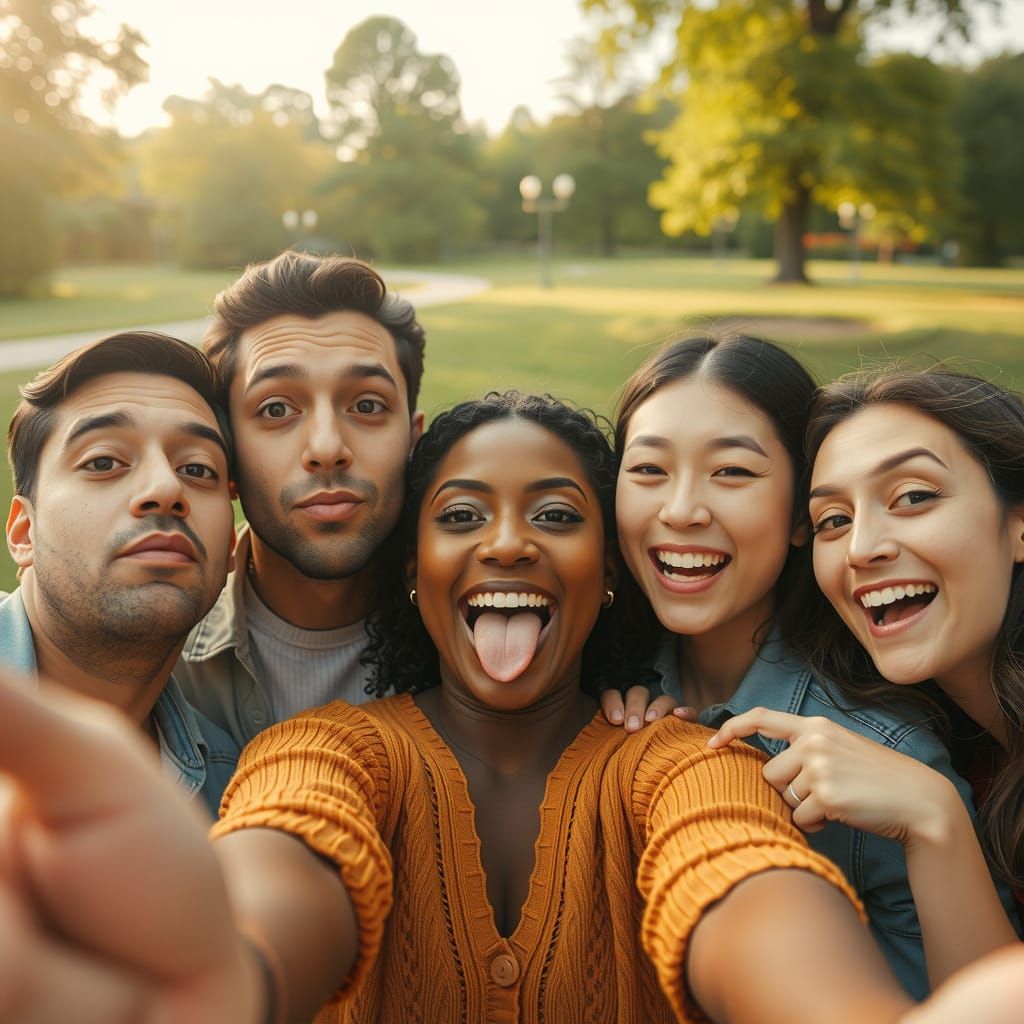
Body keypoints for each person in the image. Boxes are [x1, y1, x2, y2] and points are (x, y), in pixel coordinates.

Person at [0, 392, 915, 1023]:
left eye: (556, 517)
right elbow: (289, 851)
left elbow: (742, 876)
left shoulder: (689, 764)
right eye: (462, 516)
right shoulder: (321, 751)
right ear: (412, 567)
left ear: (607, 573)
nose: (509, 544)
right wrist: (231, 980)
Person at [607, 335, 1014, 997]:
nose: (681, 510)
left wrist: (932, 815)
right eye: (648, 469)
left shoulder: (882, 750)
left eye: (732, 471)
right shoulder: (596, 676)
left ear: (792, 517)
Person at [713, 365, 1024, 983]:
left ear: (1016, 523)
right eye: (833, 519)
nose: (860, 548)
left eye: (913, 496)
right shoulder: (945, 734)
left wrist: (934, 821)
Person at [174, 250, 427, 744]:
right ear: (225, 457)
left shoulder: (484, 639)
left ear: (414, 443)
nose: (327, 448)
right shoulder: (154, 656)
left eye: (368, 404)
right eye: (276, 408)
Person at [1, 331, 239, 815]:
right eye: (104, 461)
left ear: (230, 546)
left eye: (197, 469)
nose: (166, 487)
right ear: (25, 532)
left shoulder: (237, 792)